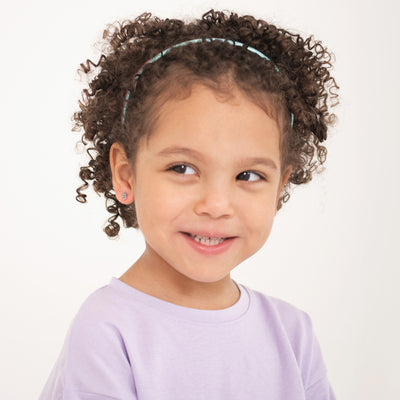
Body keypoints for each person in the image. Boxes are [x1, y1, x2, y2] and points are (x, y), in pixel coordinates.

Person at [39, 9, 339, 400]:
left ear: (280, 187)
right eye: (182, 168)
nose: (216, 205)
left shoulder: (293, 334)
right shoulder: (108, 330)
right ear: (126, 175)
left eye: (248, 175)